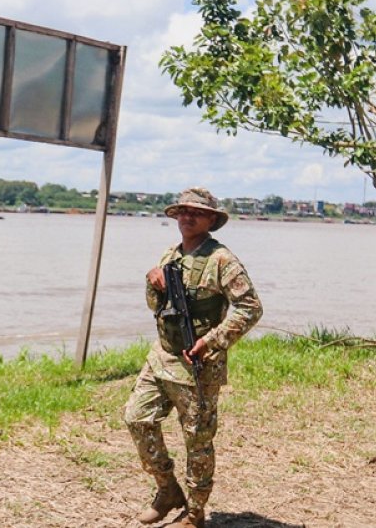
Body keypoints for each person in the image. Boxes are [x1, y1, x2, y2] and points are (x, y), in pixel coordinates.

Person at [124, 187, 262, 528]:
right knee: (137, 419)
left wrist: (211, 341)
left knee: (197, 441)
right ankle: (168, 490)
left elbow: (250, 308)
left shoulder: (221, 260)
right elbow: (158, 307)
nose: (188, 217)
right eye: (183, 211)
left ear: (211, 220)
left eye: (197, 213)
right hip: (162, 357)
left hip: (199, 365)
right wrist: (152, 282)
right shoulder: (171, 254)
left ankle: (195, 513)